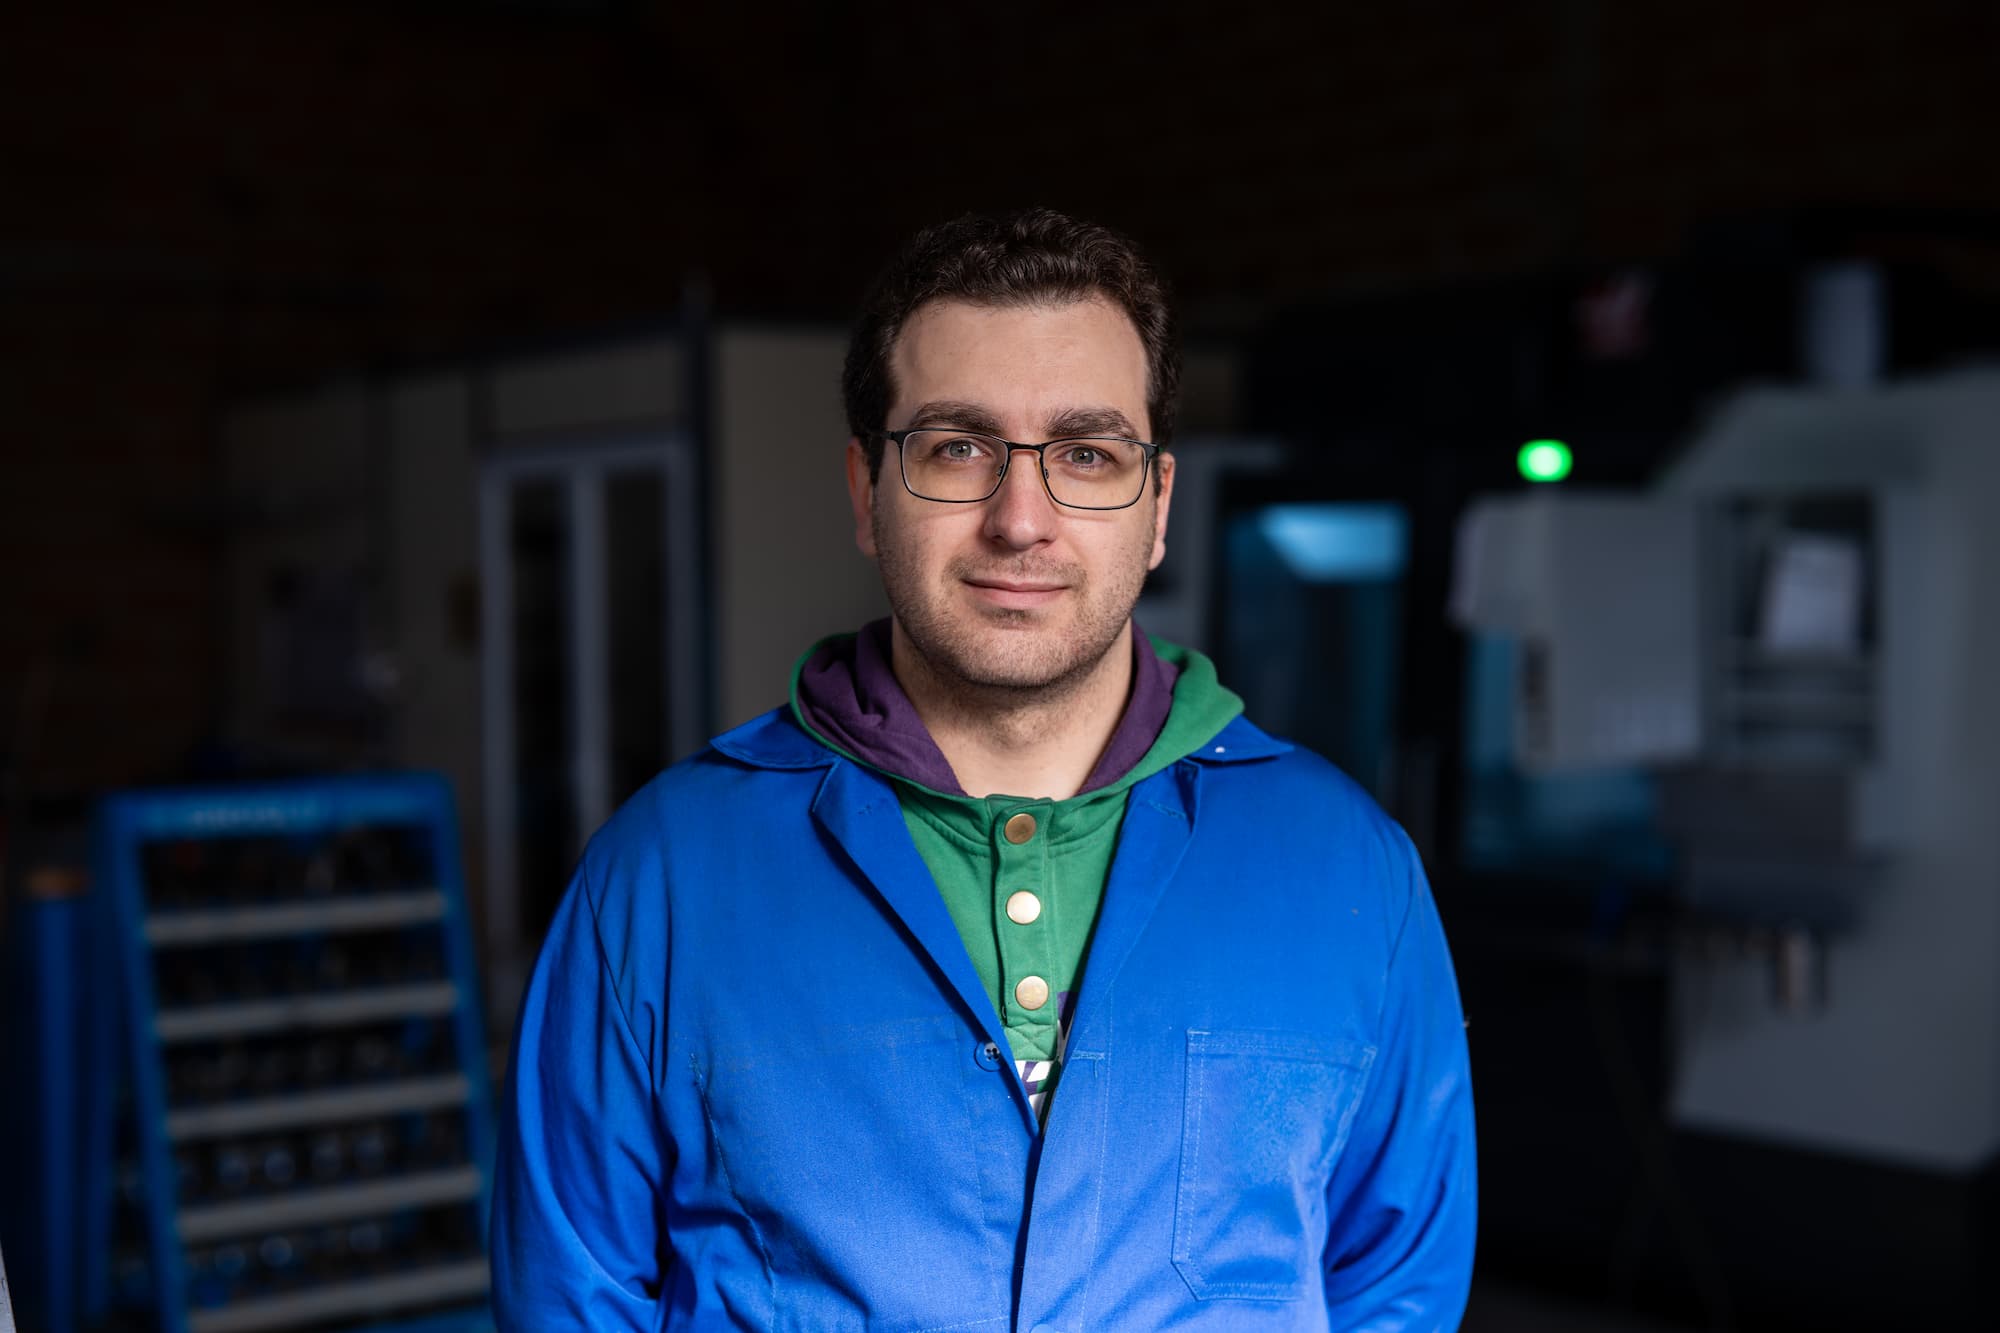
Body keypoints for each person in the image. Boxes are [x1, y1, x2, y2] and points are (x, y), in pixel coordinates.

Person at [491, 208, 1477, 1329]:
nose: (1021, 519)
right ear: (867, 491)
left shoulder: (1346, 869)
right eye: (958, 448)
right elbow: (570, 1295)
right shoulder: (660, 876)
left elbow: (1395, 1285)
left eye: (1086, 454)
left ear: (1156, 506)